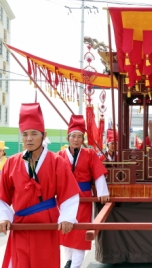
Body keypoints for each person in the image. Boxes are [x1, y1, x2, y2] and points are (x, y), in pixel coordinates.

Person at [0, 103, 81, 268]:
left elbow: (69, 192)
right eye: (25, 134)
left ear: (43, 135)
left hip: (47, 224)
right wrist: (2, 216)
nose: (29, 138)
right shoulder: (12, 162)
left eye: (34, 134)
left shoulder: (56, 162)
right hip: (21, 224)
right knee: (20, 263)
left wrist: (67, 217)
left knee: (45, 262)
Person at [58, 114, 110, 268]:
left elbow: (98, 173)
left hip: (84, 198)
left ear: (83, 139)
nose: (76, 139)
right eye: (73, 136)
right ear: (68, 138)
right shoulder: (60, 156)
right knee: (65, 230)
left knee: (80, 233)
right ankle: (68, 261)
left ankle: (75, 266)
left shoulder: (90, 154)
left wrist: (102, 192)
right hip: (64, 198)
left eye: (79, 136)